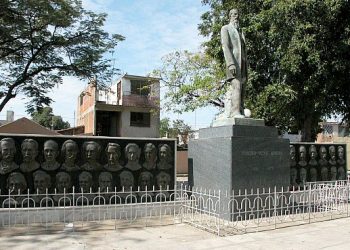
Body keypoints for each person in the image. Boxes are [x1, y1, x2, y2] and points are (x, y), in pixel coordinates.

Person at [219, 8, 247, 119]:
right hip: (234, 63)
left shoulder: (241, 31)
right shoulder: (225, 28)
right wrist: (230, 63)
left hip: (243, 64)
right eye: (234, 14)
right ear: (229, 16)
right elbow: (225, 46)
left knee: (242, 89)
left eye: (238, 14)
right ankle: (235, 112)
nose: (236, 16)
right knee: (236, 87)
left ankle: (240, 109)